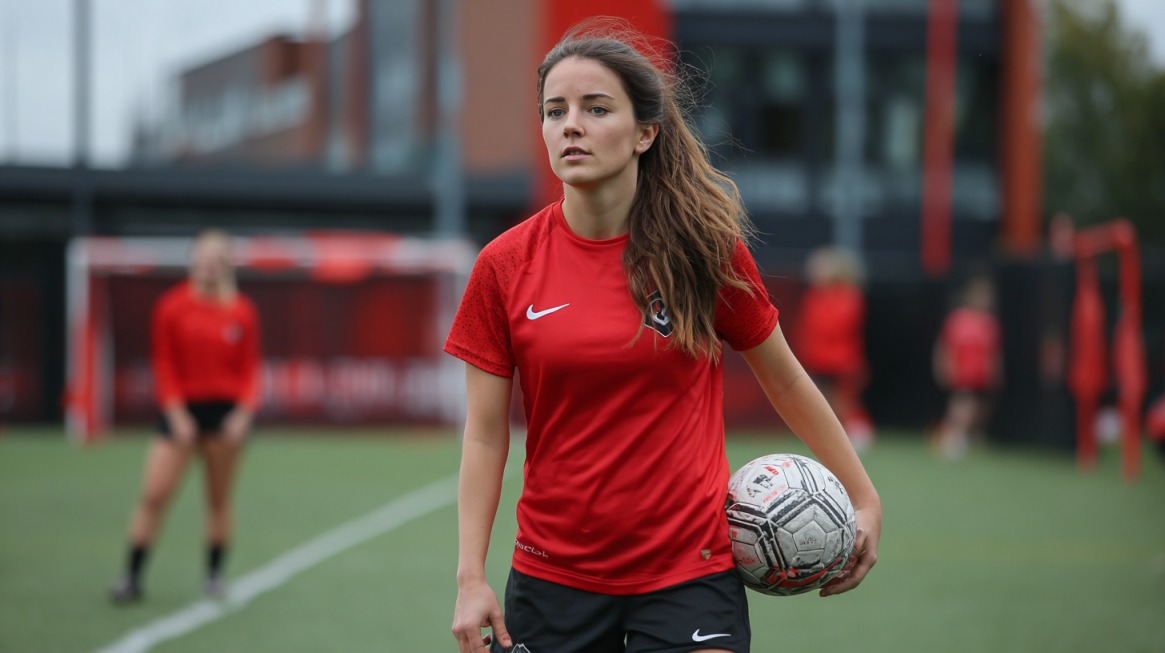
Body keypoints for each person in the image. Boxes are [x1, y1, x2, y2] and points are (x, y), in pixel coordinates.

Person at [444, 22, 881, 653]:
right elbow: (485, 435)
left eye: (596, 108)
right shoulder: (504, 266)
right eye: (554, 110)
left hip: (691, 575)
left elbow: (784, 378)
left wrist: (864, 499)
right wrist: (469, 578)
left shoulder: (703, 251)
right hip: (553, 578)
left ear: (646, 132)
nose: (571, 125)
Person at [109, 229, 262, 603]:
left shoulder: (241, 310)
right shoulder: (172, 306)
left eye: (216, 259)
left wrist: (242, 414)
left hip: (224, 414)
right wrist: (177, 414)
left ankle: (213, 575)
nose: (208, 266)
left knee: (218, 499)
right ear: (194, 261)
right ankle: (131, 576)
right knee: (154, 494)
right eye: (203, 258)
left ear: (227, 264)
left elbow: (250, 370)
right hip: (181, 411)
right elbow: (164, 363)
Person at [795, 246, 874, 451]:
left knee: (843, 400)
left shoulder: (849, 296)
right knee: (820, 400)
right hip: (816, 358)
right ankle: (827, 437)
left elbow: (837, 327)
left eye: (821, 267)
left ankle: (860, 433)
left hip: (841, 359)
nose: (815, 272)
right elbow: (808, 328)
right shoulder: (814, 296)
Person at [931, 272, 1002, 459]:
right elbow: (945, 346)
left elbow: (994, 352)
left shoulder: (989, 323)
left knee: (979, 410)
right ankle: (952, 439)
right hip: (963, 374)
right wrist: (944, 366)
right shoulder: (958, 319)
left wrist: (995, 371)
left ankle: (965, 437)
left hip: (981, 376)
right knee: (963, 406)